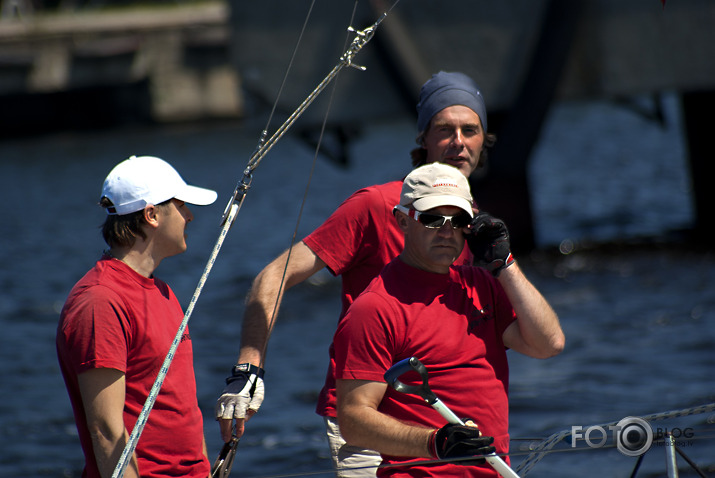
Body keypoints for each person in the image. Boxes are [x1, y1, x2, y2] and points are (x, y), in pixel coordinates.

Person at [215, 71, 497, 476]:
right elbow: (272, 277)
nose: (458, 141)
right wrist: (248, 368)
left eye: (469, 130)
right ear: (422, 138)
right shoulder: (375, 205)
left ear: (483, 139)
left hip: (448, 421)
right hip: (368, 420)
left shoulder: (478, 226)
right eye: (443, 128)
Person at [334, 163, 565, 477]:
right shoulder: (373, 308)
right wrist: (435, 443)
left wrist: (504, 262)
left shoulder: (482, 284)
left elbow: (548, 344)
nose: (446, 231)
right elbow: (353, 420)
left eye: (457, 221)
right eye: (431, 220)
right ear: (402, 220)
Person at [56, 155, 218, 478]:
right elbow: (106, 431)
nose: (190, 216)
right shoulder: (100, 302)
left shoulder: (164, 292)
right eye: (181, 205)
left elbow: (184, 407)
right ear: (152, 214)